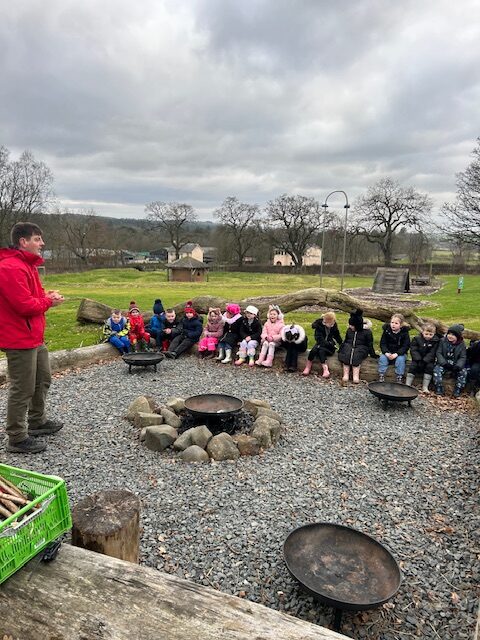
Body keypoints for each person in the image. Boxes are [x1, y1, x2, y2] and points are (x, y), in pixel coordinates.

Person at [0, 222, 64, 454]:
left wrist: (47, 295)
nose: (42, 243)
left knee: (42, 380)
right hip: (19, 338)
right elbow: (24, 305)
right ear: (23, 241)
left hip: (34, 335)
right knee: (22, 388)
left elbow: (33, 296)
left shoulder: (27, 265)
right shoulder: (10, 267)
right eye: (37, 239)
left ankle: (37, 421)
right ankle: (16, 437)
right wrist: (49, 302)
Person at [338, 308, 377, 384]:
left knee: (356, 356)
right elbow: (346, 340)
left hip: (361, 347)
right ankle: (346, 374)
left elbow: (369, 343)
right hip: (349, 345)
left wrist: (373, 354)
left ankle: (355, 376)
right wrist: (341, 348)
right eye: (350, 325)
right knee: (346, 354)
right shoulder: (349, 330)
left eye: (352, 325)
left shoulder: (367, 332)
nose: (351, 327)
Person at [302, 311, 342, 378]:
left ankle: (325, 369)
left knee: (321, 351)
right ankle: (308, 366)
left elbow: (337, 335)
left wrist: (340, 343)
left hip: (329, 345)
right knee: (313, 350)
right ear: (325, 322)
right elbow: (318, 338)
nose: (331, 325)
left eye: (332, 324)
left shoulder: (334, 325)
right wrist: (321, 344)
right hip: (320, 342)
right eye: (330, 324)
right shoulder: (320, 326)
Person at [433, 323, 468, 397]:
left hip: (455, 364)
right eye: (449, 334)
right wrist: (443, 363)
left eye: (453, 335)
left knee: (463, 372)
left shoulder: (462, 344)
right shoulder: (442, 341)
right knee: (437, 370)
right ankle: (439, 387)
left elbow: (463, 357)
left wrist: (458, 366)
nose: (450, 336)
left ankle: (458, 388)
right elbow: (439, 353)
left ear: (458, 336)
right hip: (444, 363)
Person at [405, 322, 440, 392]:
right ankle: (407, 384)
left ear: (434, 334)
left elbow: (433, 352)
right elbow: (413, 349)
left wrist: (425, 360)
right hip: (417, 359)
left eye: (430, 334)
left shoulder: (435, 341)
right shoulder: (417, 339)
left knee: (430, 367)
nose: (428, 336)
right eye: (426, 334)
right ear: (422, 332)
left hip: (429, 360)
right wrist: (418, 359)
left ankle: (425, 387)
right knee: (413, 366)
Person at [378, 313, 410, 383]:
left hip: (400, 353)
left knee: (400, 360)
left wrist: (397, 354)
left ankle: (399, 376)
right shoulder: (386, 331)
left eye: (396, 323)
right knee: (382, 358)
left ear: (401, 325)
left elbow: (405, 346)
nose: (393, 325)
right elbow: (383, 343)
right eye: (392, 322)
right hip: (388, 352)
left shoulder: (404, 333)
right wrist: (386, 352)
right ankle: (381, 374)